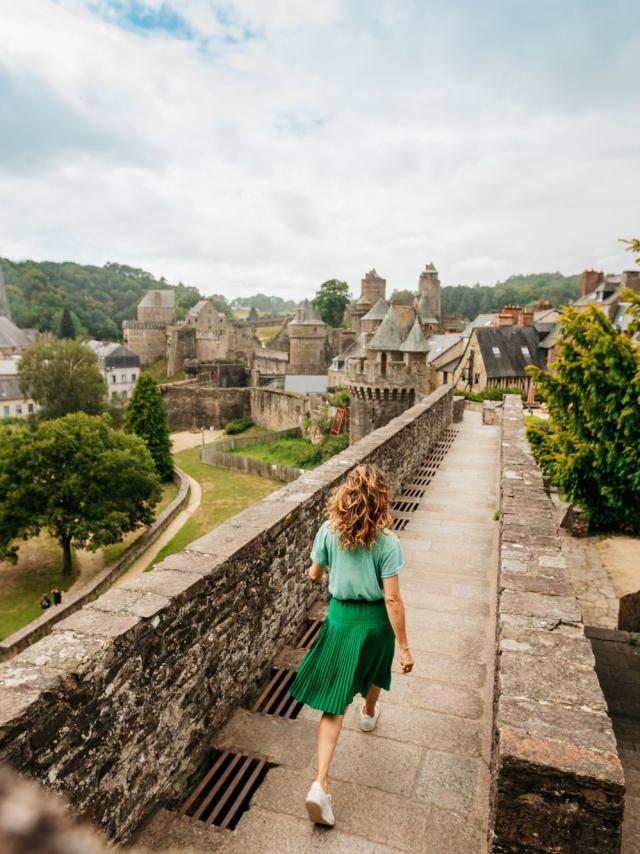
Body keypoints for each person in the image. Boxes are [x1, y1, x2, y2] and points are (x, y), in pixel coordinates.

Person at [289, 463, 414, 828]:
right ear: (380, 499)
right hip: (375, 623)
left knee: (333, 703)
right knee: (376, 669)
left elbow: (314, 574)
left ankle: (321, 783)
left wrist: (332, 571)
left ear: (346, 495)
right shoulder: (388, 541)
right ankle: (370, 714)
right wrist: (405, 647)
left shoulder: (328, 531)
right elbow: (392, 600)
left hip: (340, 619)